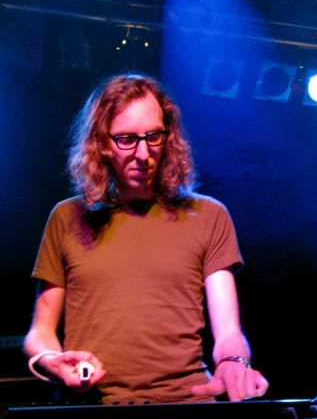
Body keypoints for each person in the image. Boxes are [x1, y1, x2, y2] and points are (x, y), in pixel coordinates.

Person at [23, 73, 269, 404]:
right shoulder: (66, 218)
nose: (143, 154)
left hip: (187, 401)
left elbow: (227, 330)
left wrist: (233, 362)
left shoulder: (209, 215)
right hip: (95, 404)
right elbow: (40, 332)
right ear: (101, 143)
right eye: (126, 139)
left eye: (154, 136)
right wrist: (52, 361)